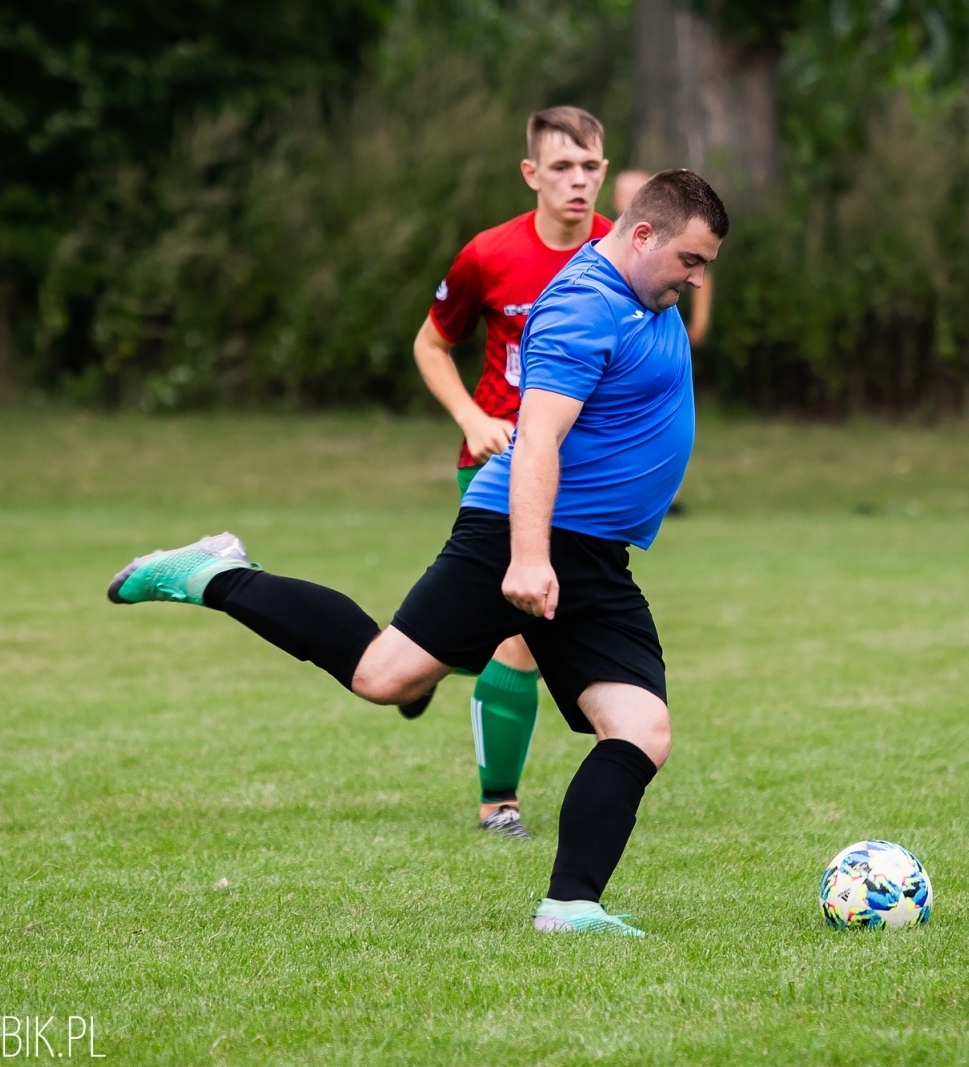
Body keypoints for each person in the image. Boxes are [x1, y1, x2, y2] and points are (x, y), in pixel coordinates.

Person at [106, 168, 728, 937]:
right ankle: (217, 572)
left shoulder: (643, 289)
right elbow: (537, 439)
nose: (697, 279)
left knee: (641, 727)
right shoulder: (585, 306)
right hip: (519, 530)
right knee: (383, 675)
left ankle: (570, 905)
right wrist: (528, 559)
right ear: (641, 237)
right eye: (692, 262)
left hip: (595, 556)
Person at [409, 107, 614, 840]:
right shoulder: (488, 256)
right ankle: (500, 803)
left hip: (582, 476)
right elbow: (431, 344)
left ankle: (426, 662)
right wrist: (470, 417)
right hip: (497, 466)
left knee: (512, 624)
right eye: (563, 167)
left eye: (591, 166)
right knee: (520, 629)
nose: (579, 182)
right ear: (531, 174)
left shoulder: (622, 251)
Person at [613, 169, 711, 347]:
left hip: (668, 329)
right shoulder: (606, 239)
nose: (634, 200)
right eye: (628, 194)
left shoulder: (672, 235)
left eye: (640, 193)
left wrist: (699, 322)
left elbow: (703, 276)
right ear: (616, 200)